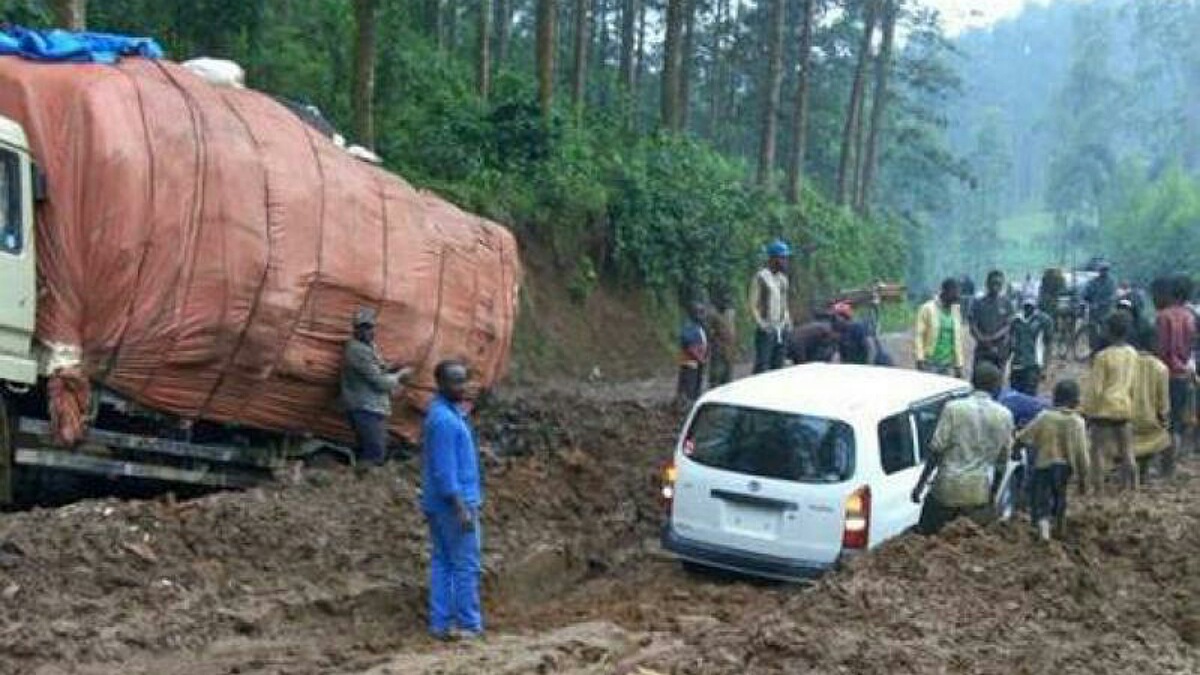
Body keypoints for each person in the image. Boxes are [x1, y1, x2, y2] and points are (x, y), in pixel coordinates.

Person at [911, 363, 1014, 534]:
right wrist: (993, 495)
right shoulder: (1005, 416)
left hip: (946, 489)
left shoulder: (953, 409)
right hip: (977, 493)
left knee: (926, 540)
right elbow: (1002, 463)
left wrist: (920, 486)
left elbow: (936, 450)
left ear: (972, 381)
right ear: (997, 386)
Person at [421, 360, 484, 641]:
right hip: (453, 504)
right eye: (455, 382)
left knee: (443, 561)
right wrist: (461, 508)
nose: (461, 387)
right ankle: (468, 624)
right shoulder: (445, 422)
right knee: (465, 564)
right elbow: (445, 471)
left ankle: (441, 623)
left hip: (439, 503)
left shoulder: (444, 414)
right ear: (441, 384)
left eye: (463, 380)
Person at [1016, 380, 1089, 541]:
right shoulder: (1078, 422)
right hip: (1065, 469)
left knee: (1041, 501)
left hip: (1044, 465)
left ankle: (1044, 533)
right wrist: (1083, 477)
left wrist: (1017, 443)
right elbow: (1082, 454)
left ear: (1054, 398)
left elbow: (1024, 436)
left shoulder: (1045, 417)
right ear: (1076, 401)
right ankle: (1059, 529)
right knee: (1060, 498)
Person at [339, 307, 410, 466]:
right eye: (362, 328)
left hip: (372, 408)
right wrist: (400, 376)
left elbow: (379, 369)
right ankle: (361, 484)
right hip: (364, 408)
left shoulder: (369, 347)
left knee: (374, 450)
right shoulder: (357, 350)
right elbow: (380, 382)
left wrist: (393, 368)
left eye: (369, 327)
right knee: (374, 454)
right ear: (355, 329)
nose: (367, 331)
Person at [1081, 312, 1139, 493]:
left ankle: (1098, 489)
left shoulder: (1103, 357)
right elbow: (1134, 382)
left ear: (1108, 331)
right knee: (1127, 450)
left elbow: (1096, 389)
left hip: (1104, 409)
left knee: (1097, 451)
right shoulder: (1132, 353)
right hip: (1124, 406)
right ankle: (1132, 486)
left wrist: (1086, 410)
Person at [1154, 275, 1195, 476]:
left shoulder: (1164, 316)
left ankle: (1161, 466)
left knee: (1162, 419)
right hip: (1183, 373)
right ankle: (1169, 468)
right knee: (1177, 422)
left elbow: (1161, 348)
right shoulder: (1190, 316)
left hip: (1164, 373)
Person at [1132, 331, 1171, 483]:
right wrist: (1164, 417)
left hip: (1127, 418)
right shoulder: (1161, 368)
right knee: (1162, 436)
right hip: (1150, 420)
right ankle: (1145, 472)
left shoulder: (1128, 362)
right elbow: (1163, 402)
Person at [749, 240, 793, 374]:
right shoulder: (761, 277)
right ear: (773, 258)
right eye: (783, 258)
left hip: (781, 328)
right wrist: (761, 324)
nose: (786, 262)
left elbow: (784, 304)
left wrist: (787, 321)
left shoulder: (783, 279)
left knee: (778, 366)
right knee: (763, 365)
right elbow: (753, 304)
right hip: (767, 328)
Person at [915, 278, 966, 377]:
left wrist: (959, 365)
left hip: (947, 364)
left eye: (959, 292)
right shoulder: (927, 309)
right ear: (945, 292)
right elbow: (919, 336)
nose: (957, 296)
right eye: (954, 292)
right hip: (929, 363)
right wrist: (920, 359)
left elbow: (957, 340)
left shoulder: (956, 311)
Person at [970, 270, 1016, 373]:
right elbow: (972, 325)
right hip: (982, 350)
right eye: (993, 283)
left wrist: (993, 338)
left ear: (1002, 285)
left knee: (997, 381)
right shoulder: (978, 303)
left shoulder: (1007, 303)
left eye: (999, 283)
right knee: (979, 379)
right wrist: (983, 340)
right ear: (987, 284)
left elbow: (1009, 325)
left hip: (1000, 350)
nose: (996, 286)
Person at [1009, 295, 1054, 395]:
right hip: (1017, 363)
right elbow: (1010, 343)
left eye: (1031, 306)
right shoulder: (1015, 320)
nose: (1028, 308)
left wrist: (1045, 368)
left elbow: (1048, 345)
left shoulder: (1044, 320)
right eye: (1026, 306)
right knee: (1014, 394)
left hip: (1033, 365)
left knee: (1029, 395)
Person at [677, 301, 709, 406]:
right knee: (689, 387)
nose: (702, 315)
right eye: (700, 313)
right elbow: (690, 346)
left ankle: (690, 403)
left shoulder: (699, 327)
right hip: (690, 362)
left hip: (697, 362)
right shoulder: (690, 327)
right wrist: (701, 358)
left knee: (696, 385)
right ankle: (686, 406)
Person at [1082, 261, 1118, 351]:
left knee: (1105, 330)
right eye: (1102, 270)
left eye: (1105, 270)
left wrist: (1101, 304)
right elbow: (1086, 292)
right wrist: (1084, 300)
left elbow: (1112, 297)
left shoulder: (1111, 282)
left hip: (1106, 310)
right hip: (1093, 310)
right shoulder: (1093, 282)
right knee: (1092, 330)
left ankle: (1104, 348)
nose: (1103, 272)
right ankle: (1092, 348)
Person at [706, 288, 737, 388]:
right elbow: (709, 331)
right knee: (716, 372)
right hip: (718, 345)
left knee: (728, 372)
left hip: (729, 346)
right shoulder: (713, 314)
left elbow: (732, 331)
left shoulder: (730, 313)